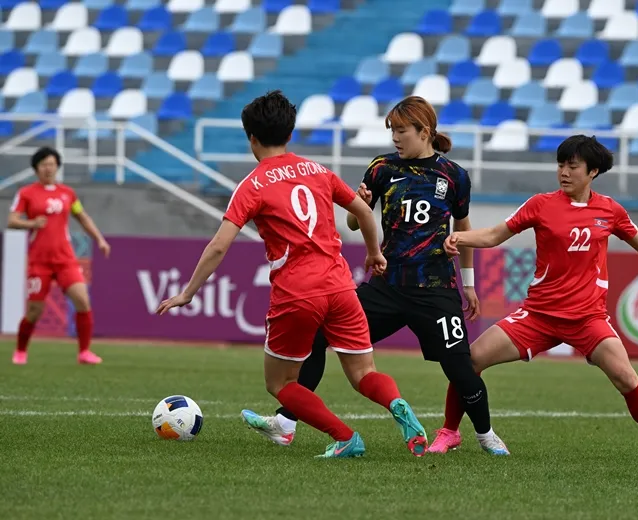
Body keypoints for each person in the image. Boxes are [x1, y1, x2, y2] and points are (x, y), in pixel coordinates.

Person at [156, 90, 428, 458]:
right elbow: (364, 212)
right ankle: (397, 404)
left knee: (280, 382)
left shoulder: (252, 184)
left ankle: (345, 437)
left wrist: (188, 292)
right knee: (364, 374)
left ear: (251, 137)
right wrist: (374, 253)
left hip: (298, 292)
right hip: (341, 285)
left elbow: (219, 245)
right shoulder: (318, 171)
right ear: (290, 132)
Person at [246, 95, 509, 456]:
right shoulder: (382, 168)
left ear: (424, 131)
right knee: (319, 337)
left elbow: (463, 231)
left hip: (435, 288)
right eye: (393, 132)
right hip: (387, 286)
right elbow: (356, 220)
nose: (396, 138)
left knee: (461, 367)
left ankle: (485, 434)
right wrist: (360, 200)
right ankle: (287, 422)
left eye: (402, 131)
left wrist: (469, 283)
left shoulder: (453, 176)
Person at [431, 135, 638, 463]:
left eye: (572, 166)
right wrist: (460, 236)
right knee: (471, 360)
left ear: (592, 171)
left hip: (587, 319)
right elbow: (495, 235)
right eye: (560, 165)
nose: (563, 172)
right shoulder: (541, 204)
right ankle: (450, 431)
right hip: (538, 315)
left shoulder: (610, 210)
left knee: (626, 377)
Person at [9, 147, 110, 365]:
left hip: (65, 259)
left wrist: (99, 239)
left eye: (52, 164)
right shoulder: (26, 193)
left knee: (82, 300)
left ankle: (84, 352)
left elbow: (82, 217)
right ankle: (20, 351)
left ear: (58, 166)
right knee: (34, 311)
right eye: (44, 164)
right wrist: (31, 223)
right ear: (36, 168)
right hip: (39, 261)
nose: (48, 168)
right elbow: (12, 220)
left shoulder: (67, 194)